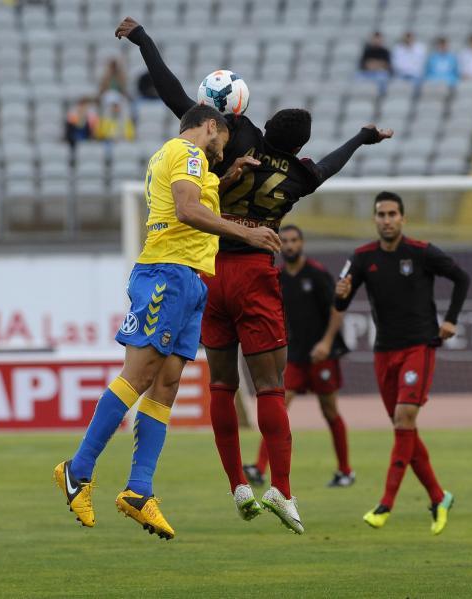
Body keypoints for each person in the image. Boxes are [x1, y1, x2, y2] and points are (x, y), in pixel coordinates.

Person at [116, 17, 392, 535]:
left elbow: (175, 96)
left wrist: (143, 41)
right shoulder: (302, 176)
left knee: (221, 384)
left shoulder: (240, 138)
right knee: (269, 387)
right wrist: (361, 137)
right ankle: (281, 489)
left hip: (209, 271)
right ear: (302, 146)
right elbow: (330, 164)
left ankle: (237, 484)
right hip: (255, 273)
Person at [53, 105, 281, 540]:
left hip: (190, 279)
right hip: (167, 274)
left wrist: (226, 178)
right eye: (220, 142)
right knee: (139, 376)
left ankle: (139, 490)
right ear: (210, 125)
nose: (221, 151)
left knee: (168, 383)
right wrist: (248, 233)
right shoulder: (187, 153)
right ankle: (77, 470)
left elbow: (194, 200)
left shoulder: (180, 159)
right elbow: (187, 210)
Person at [333, 191, 470, 535]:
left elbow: (462, 278)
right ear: (375, 219)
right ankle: (438, 497)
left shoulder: (422, 252)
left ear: (403, 218)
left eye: (392, 214)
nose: (387, 220)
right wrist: (340, 294)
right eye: (381, 214)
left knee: (404, 417)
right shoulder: (362, 257)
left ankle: (386, 504)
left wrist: (451, 319)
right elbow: (341, 301)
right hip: (384, 352)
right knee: (403, 427)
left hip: (419, 347)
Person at [243, 225, 354, 489]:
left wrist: (326, 343)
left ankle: (345, 471)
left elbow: (337, 308)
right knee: (278, 407)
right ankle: (259, 468)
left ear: (302, 243)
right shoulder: (278, 276)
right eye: (286, 241)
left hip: (322, 356)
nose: (290, 245)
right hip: (294, 355)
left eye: (294, 240)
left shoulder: (316, 273)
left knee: (330, 411)